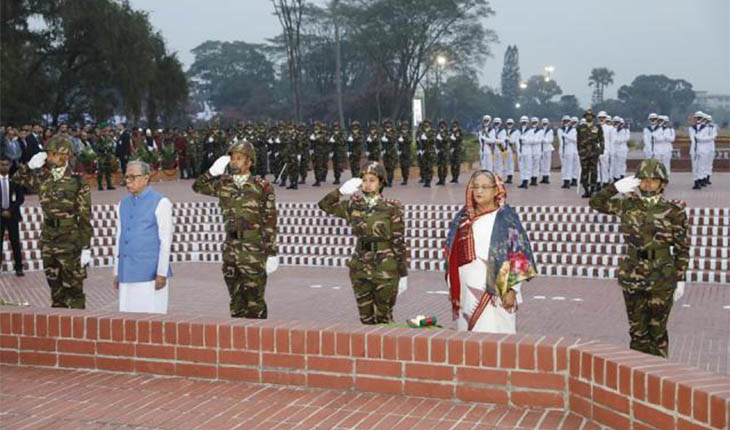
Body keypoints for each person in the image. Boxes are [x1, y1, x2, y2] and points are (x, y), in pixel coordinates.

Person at [589, 159, 689, 358]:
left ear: (662, 183)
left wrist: (681, 279)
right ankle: (639, 376)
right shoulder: (626, 204)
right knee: (637, 333)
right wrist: (615, 187)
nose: (648, 184)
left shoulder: (674, 211)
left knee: (658, 333)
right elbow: (595, 202)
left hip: (661, 277)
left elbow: (682, 248)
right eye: (643, 179)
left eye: (654, 180)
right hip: (633, 276)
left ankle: (659, 377)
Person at [444, 170, 537, 333]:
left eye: (485, 187)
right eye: (476, 187)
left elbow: (519, 255)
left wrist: (513, 290)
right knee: (468, 341)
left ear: (495, 191)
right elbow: (452, 255)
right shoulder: (462, 219)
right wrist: (452, 286)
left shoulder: (506, 218)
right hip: (466, 291)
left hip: (497, 292)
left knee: (495, 339)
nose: (479, 191)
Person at [193, 141, 278, 318]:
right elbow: (197, 186)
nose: (234, 162)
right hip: (231, 247)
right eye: (232, 158)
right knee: (236, 300)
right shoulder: (223, 184)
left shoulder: (262, 187)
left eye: (239, 158)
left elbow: (270, 221)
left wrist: (272, 253)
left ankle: (258, 339)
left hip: (254, 247)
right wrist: (212, 172)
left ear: (250, 162)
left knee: (255, 301)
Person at [318, 161, 408, 324]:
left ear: (381, 182)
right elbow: (324, 205)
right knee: (365, 319)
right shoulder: (354, 204)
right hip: (360, 266)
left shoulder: (391, 207)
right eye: (364, 180)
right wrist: (340, 191)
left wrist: (403, 273)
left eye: (372, 180)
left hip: (385, 268)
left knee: (384, 318)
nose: (367, 184)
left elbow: (398, 241)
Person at [14, 135, 92, 308]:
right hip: (49, 240)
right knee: (55, 293)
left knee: (74, 292)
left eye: (51, 154)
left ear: (63, 155)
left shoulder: (77, 182)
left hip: (70, 242)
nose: (48, 157)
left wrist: (86, 246)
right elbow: (17, 179)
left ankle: (78, 331)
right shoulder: (44, 179)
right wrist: (29, 166)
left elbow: (85, 216)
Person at [113, 161, 172, 313]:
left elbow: (165, 241)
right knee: (128, 318)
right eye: (126, 177)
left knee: (151, 320)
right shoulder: (122, 204)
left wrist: (162, 273)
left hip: (150, 273)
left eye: (133, 177)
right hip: (126, 271)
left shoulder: (161, 202)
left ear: (146, 178)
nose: (128, 181)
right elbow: (119, 237)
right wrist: (116, 271)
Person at [0, 157, 25, 276]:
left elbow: (20, 198)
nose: (4, 167)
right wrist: (2, 211)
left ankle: (19, 268)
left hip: (12, 216)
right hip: (0, 215)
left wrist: (10, 210)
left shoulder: (15, 181)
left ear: (10, 166)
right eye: (2, 165)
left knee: (15, 241)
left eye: (6, 165)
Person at [576, 109, 604, 197]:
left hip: (594, 152)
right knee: (584, 172)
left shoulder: (597, 127)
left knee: (594, 172)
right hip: (584, 153)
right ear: (585, 117)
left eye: (590, 116)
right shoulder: (581, 127)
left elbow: (601, 139)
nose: (589, 117)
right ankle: (586, 190)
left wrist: (601, 150)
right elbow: (578, 140)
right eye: (587, 116)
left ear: (592, 117)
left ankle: (593, 189)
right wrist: (579, 151)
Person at [558, 115, 578, 189]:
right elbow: (562, 140)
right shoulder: (560, 130)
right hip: (562, 150)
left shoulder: (573, 130)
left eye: (567, 121)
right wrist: (567, 138)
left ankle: (568, 181)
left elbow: (574, 139)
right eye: (564, 121)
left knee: (569, 166)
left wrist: (566, 136)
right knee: (564, 166)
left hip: (570, 150)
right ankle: (564, 180)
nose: (566, 122)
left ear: (569, 122)